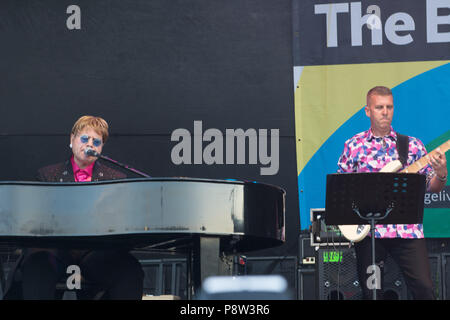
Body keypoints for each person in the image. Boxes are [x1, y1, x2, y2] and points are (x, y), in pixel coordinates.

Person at [5, 115, 144, 300]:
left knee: (129, 269)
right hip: (56, 251)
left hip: (96, 253)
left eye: (97, 141)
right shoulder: (47, 175)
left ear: (102, 148)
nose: (90, 144)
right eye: (85, 139)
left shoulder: (115, 178)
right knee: (37, 265)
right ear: (72, 140)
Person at [337, 86, 447, 300]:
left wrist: (441, 174)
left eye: (389, 107)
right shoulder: (354, 145)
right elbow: (342, 187)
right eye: (379, 107)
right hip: (369, 232)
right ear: (368, 111)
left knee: (425, 289)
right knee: (372, 294)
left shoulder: (412, 145)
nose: (385, 111)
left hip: (406, 231)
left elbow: (431, 187)